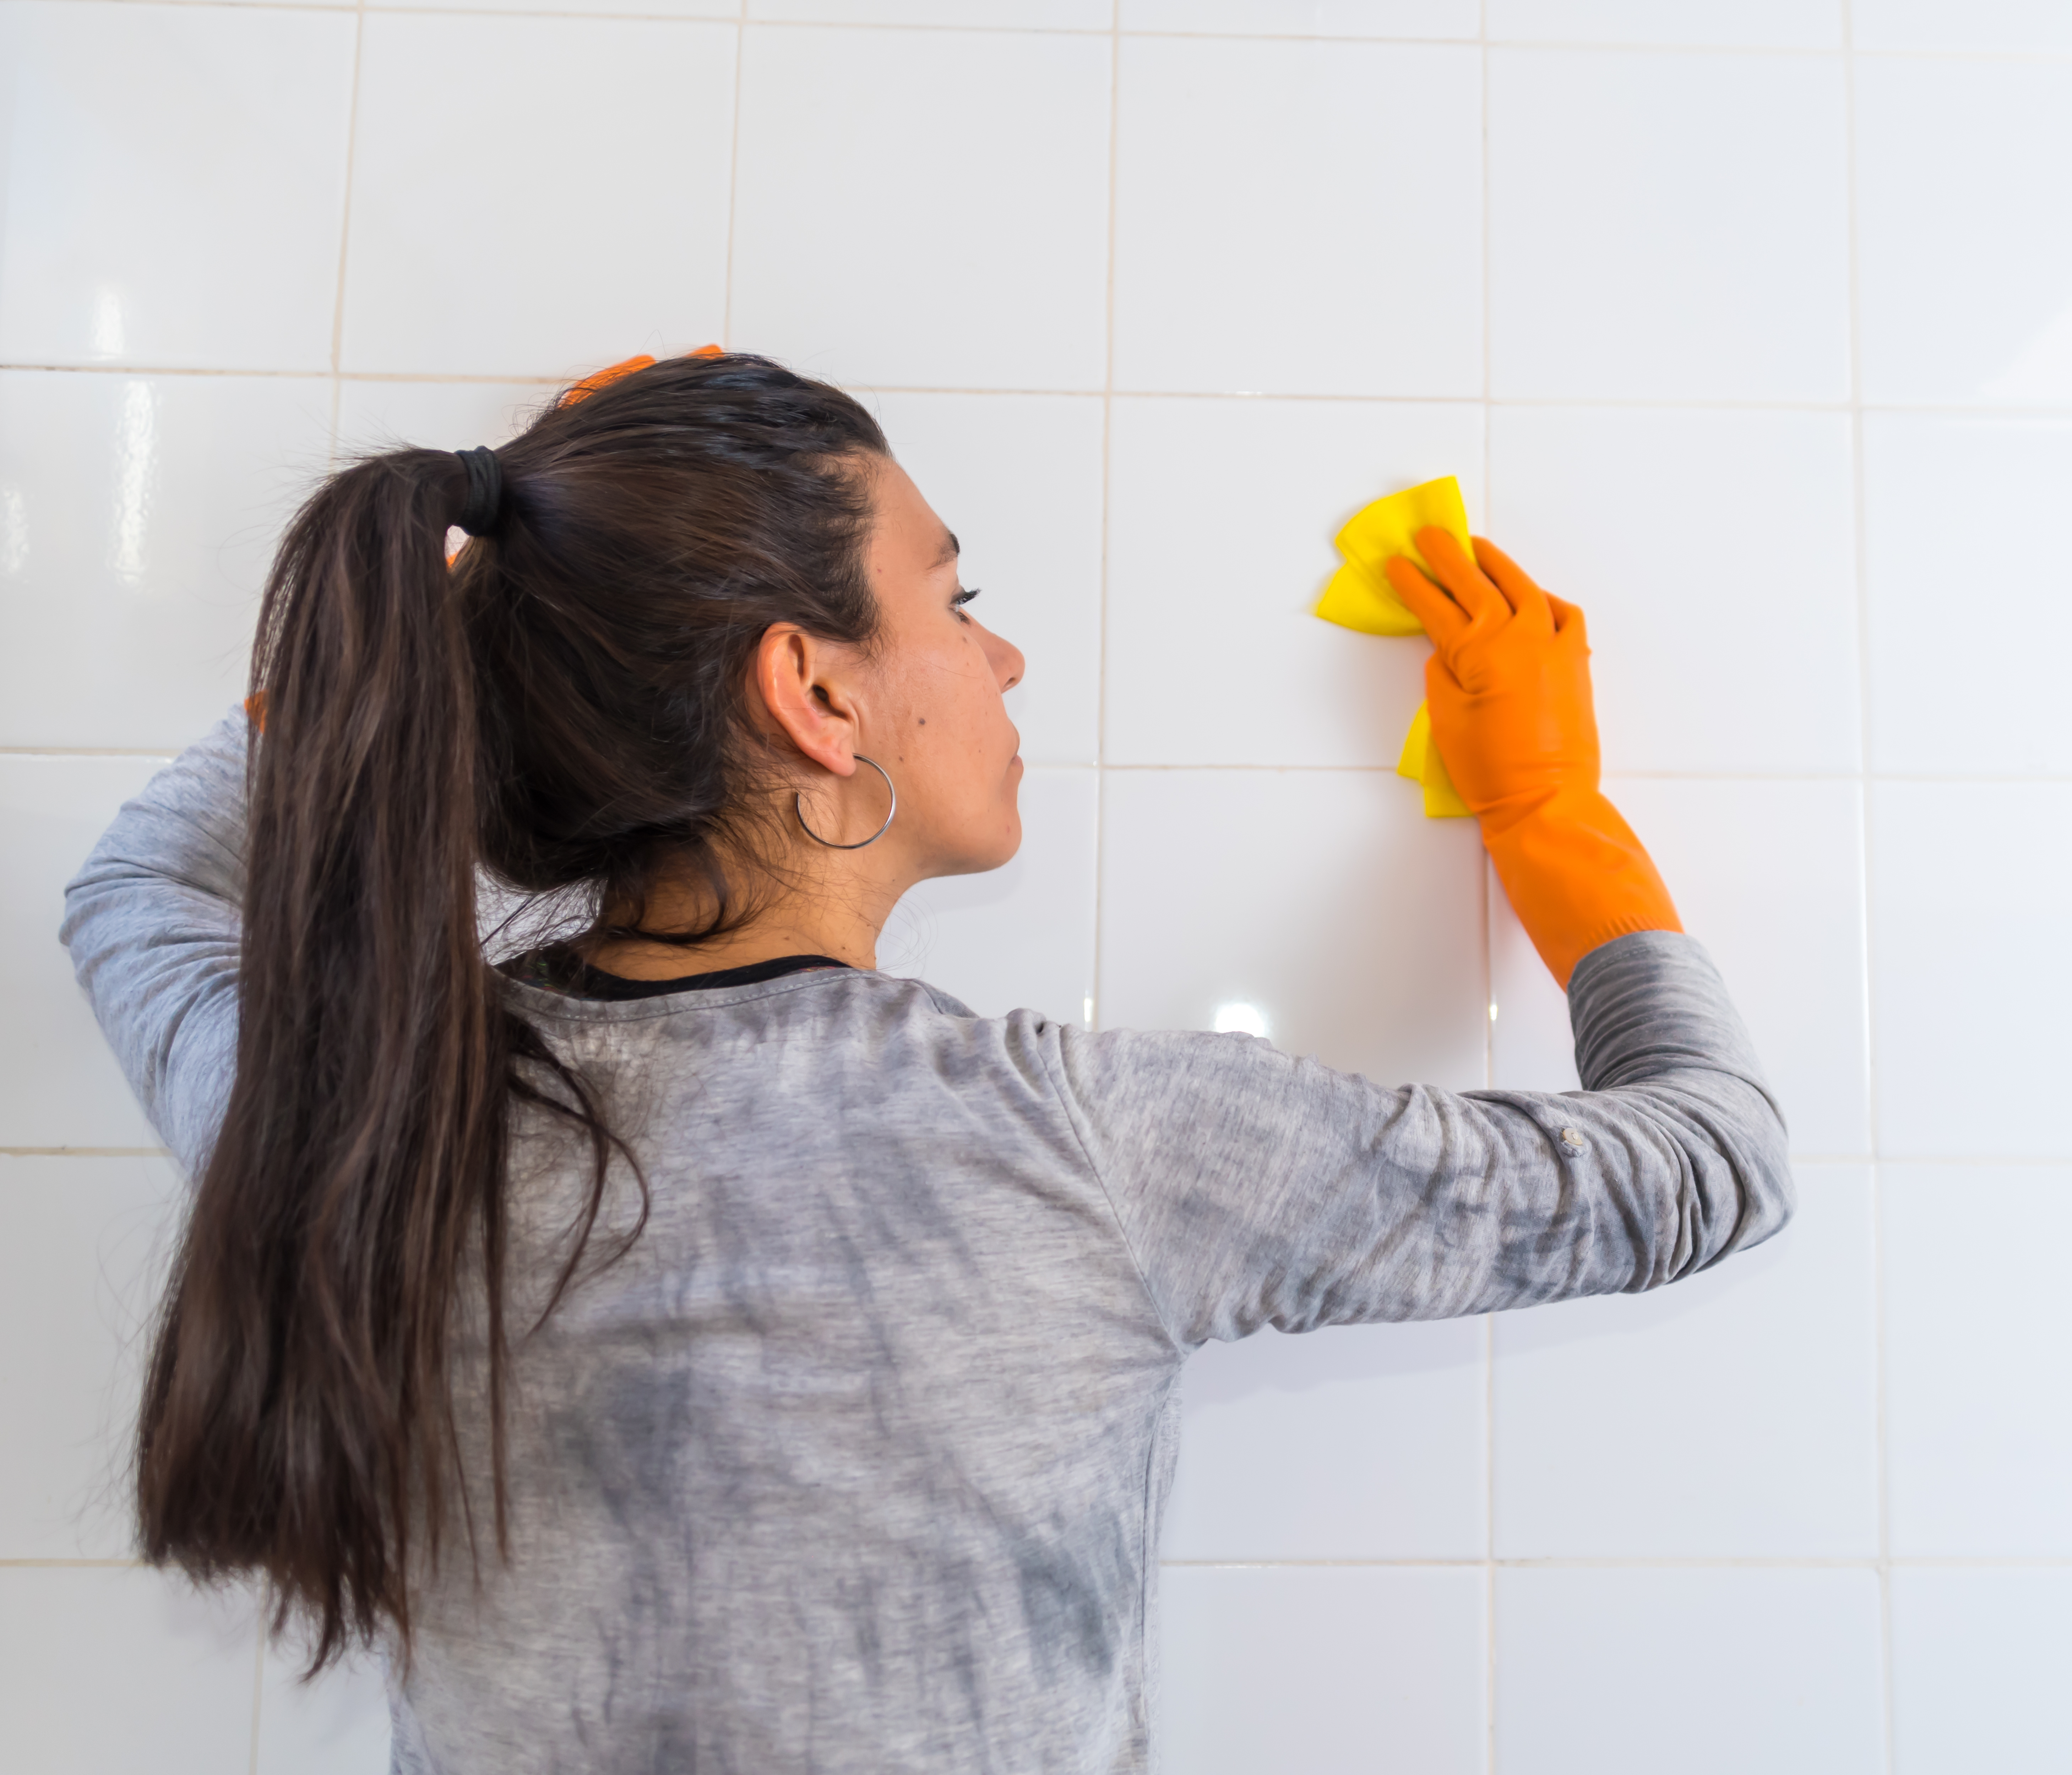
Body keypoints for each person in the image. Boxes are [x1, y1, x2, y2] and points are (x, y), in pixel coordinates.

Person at [61, 349, 1789, 1772]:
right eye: (960, 598)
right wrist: (1550, 811)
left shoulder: (363, 1120)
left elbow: (142, 888)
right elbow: (1711, 1159)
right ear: (813, 690)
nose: (1005, 654)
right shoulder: (1083, 1146)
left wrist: (471, 611)